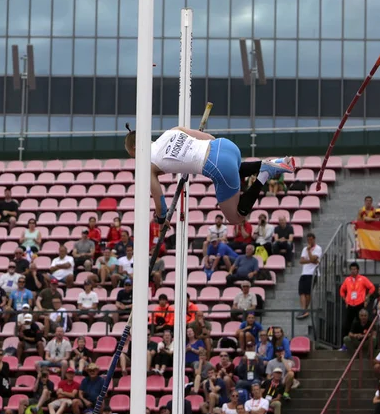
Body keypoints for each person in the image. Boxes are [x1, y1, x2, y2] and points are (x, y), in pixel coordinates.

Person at [124, 125, 295, 225]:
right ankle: (273, 162)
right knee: (232, 170)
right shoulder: (172, 131)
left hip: (217, 166)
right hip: (225, 146)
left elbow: (161, 205)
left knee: (236, 218)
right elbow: (209, 137)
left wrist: (160, 220)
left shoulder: (147, 164)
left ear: (134, 150)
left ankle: (264, 173)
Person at [339, 262, 375, 351]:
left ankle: (361, 343)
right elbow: (342, 290)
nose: (353, 271)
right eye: (351, 269)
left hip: (360, 304)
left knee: (360, 324)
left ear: (358, 270)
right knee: (346, 325)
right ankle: (345, 345)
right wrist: (345, 299)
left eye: (355, 269)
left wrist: (367, 297)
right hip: (350, 304)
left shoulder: (363, 279)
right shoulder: (347, 280)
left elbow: (372, 287)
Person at [298, 232, 321, 319]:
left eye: (311, 239)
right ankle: (304, 310)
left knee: (308, 293)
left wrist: (309, 252)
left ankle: (305, 310)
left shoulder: (318, 248)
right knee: (301, 292)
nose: (309, 241)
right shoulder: (304, 249)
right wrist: (311, 260)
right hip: (304, 272)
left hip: (313, 273)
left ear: (314, 239)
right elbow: (301, 261)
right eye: (308, 240)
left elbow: (313, 258)